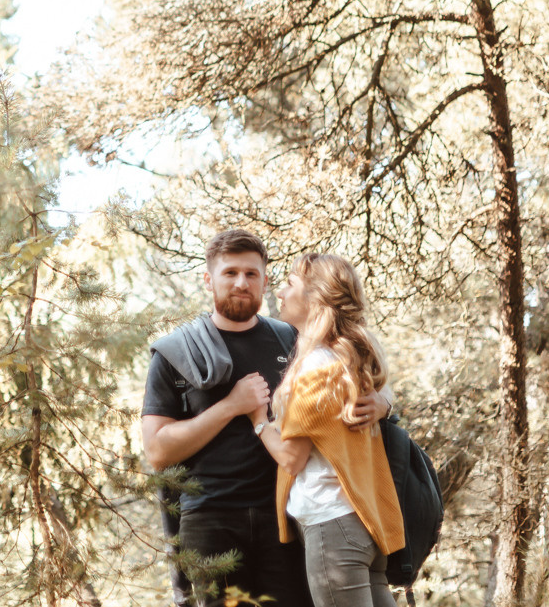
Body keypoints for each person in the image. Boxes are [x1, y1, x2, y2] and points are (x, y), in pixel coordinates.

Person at [142, 230, 391, 607]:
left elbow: (358, 366)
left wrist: (383, 402)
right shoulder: (177, 353)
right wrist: (230, 406)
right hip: (210, 521)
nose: (241, 283)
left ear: (265, 280)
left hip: (287, 521)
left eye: (251, 274)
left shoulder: (293, 339)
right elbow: (158, 452)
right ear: (208, 280)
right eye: (230, 273)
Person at [253, 252, 405, 607]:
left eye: (290, 284)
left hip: (332, 527)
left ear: (314, 298)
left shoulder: (318, 367)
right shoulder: (350, 358)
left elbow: (292, 458)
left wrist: (257, 420)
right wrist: (386, 401)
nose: (279, 291)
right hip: (363, 523)